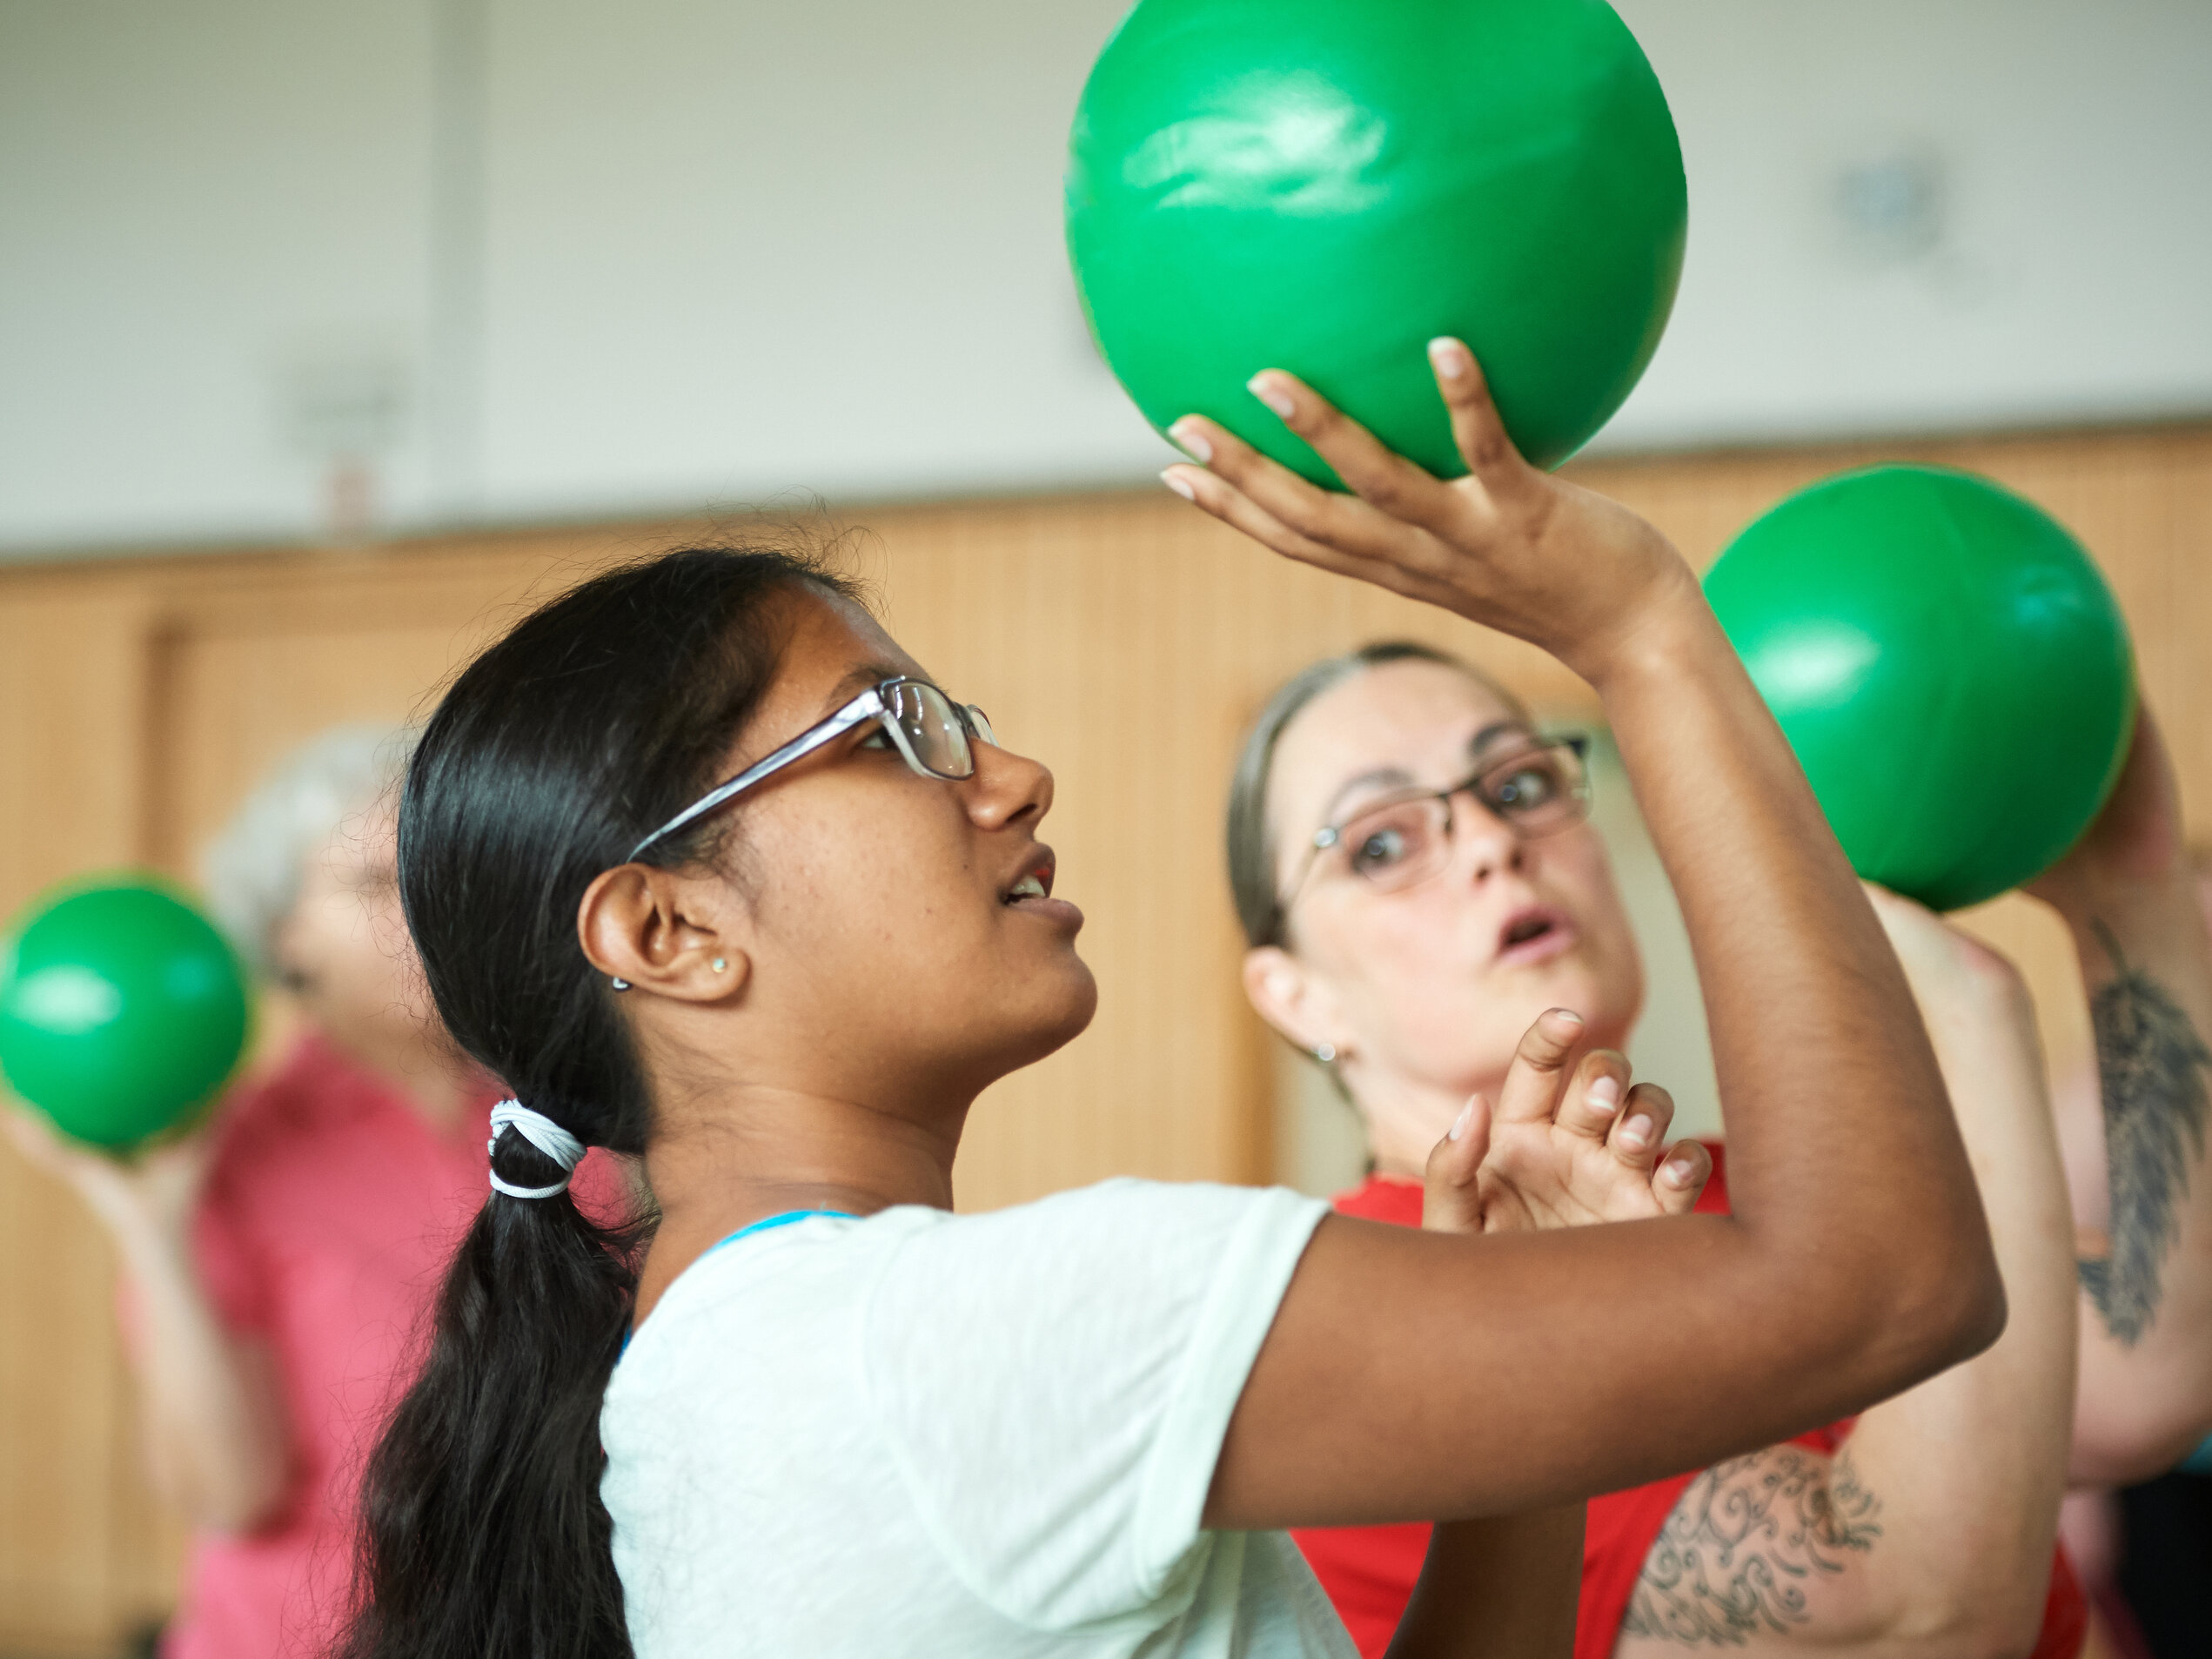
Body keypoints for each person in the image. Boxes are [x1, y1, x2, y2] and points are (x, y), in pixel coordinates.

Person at [339, 344, 2007, 1659]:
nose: (1010, 776)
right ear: (670, 929)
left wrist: (1530, 1398)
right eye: (893, 735)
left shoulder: (756, 1366)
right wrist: (1643, 631)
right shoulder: (970, 1346)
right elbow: (1881, 1286)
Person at [1222, 626, 2212, 1659]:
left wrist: (2133, 886)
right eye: (1381, 843)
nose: (1488, 841)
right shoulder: (1364, 1322)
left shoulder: (1781, 1198)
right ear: (1293, 996)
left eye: (1516, 785)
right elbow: (1916, 1613)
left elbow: (2140, 1373)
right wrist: (1956, 989)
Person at [5, 727, 606, 1659]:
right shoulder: (234, 1154)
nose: (422, 909)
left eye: (435, 873)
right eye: (373, 884)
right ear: (284, 934)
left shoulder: (582, 1122)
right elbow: (228, 1493)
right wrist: (150, 1226)